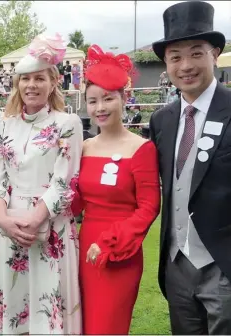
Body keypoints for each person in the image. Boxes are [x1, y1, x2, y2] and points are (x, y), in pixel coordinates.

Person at [0, 33, 83, 334]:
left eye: (39, 78)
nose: (31, 85)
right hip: (8, 226)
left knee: (46, 302)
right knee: (14, 305)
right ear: (17, 83)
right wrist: (3, 218)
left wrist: (35, 219)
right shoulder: (4, 123)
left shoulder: (68, 124)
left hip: (50, 227)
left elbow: (65, 181)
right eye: (25, 79)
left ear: (53, 81)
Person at [150, 1, 231, 334]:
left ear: (214, 54)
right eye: (175, 57)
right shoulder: (161, 121)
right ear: (166, 63)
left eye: (196, 53)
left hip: (223, 266)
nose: (186, 65)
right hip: (177, 266)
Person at [71, 44, 161, 334]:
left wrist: (112, 242)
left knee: (106, 326)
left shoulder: (142, 148)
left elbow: (148, 207)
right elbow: (74, 203)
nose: (100, 108)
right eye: (93, 100)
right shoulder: (83, 147)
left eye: (108, 99)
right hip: (82, 250)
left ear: (124, 99)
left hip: (119, 253)